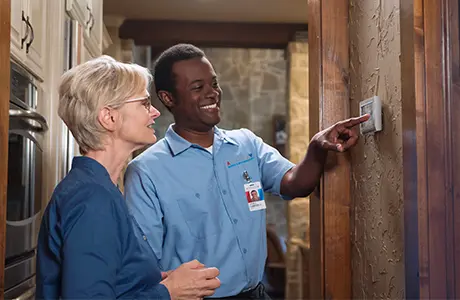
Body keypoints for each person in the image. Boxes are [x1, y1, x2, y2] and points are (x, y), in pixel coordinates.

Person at [124, 44, 370, 299]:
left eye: (214, 83)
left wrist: (317, 147)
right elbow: (144, 265)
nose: (213, 94)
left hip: (256, 293)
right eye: (198, 87)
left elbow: (295, 184)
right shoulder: (146, 171)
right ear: (168, 98)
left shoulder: (246, 144)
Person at [36, 55, 221, 300]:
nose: (155, 112)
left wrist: (156, 280)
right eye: (144, 103)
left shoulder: (100, 188)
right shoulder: (92, 199)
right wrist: (169, 292)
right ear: (109, 117)